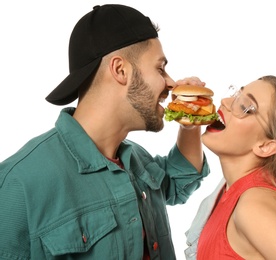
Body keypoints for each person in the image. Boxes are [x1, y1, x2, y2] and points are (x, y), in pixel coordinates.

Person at [0, 4, 211, 260]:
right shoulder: (18, 185)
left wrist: (189, 120)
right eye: (160, 68)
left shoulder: (136, 159)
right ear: (120, 70)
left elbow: (181, 179)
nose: (171, 82)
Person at [185, 75, 276, 259]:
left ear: (266, 146)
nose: (225, 101)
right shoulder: (230, 189)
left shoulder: (253, 205)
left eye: (245, 107)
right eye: (237, 94)